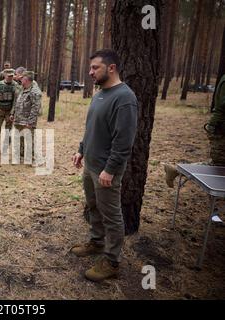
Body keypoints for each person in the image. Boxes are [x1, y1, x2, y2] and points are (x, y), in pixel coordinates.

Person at [71, 49, 138, 282]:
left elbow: (124, 140)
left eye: (95, 68)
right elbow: (91, 127)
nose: (90, 72)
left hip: (106, 170)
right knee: (93, 206)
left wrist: (110, 169)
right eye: (90, 68)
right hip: (90, 164)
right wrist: (81, 150)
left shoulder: (125, 98)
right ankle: (96, 243)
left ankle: (112, 261)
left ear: (111, 68)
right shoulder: (99, 93)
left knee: (111, 215)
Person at [164, 73, 225, 187]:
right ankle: (176, 170)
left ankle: (176, 170)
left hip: (219, 127)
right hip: (220, 130)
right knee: (218, 167)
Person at [10, 71, 42, 164]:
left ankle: (31, 158)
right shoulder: (21, 89)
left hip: (27, 122)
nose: (20, 80)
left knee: (29, 140)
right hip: (18, 120)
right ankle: (20, 157)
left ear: (26, 80)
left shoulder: (35, 92)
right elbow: (16, 103)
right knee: (18, 139)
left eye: (22, 78)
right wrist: (13, 114)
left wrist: (30, 122)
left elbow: (35, 109)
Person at [0, 68, 20, 154]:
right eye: (9, 76)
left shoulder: (15, 86)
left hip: (9, 112)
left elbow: (16, 101)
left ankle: (5, 148)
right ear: (4, 76)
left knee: (8, 130)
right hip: (0, 111)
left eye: (12, 76)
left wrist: (12, 112)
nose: (10, 78)